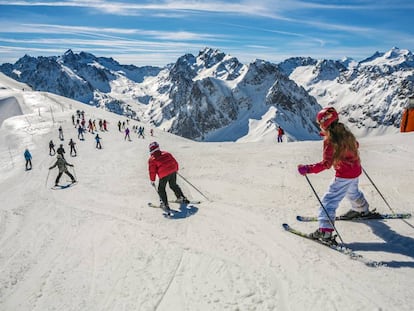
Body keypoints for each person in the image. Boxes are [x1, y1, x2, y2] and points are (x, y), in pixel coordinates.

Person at [297, 107, 370, 242]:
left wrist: (307, 169)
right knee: (352, 192)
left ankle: (325, 231)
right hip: (355, 170)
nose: (319, 126)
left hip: (344, 175)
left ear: (325, 123)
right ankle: (361, 209)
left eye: (320, 124)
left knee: (329, 201)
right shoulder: (346, 133)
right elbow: (356, 145)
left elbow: (326, 164)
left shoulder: (330, 141)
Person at [148, 142, 189, 214]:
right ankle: (181, 197)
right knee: (173, 185)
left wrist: (152, 180)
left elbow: (152, 171)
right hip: (173, 171)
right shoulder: (166, 153)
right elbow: (174, 161)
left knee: (161, 189)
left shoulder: (152, 159)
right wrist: (176, 169)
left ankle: (164, 203)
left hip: (164, 174)